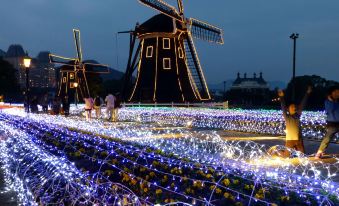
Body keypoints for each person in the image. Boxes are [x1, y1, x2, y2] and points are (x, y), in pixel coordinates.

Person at [278, 86, 312, 155]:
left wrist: (307, 93)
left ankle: (294, 151)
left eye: (295, 106)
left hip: (299, 140)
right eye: (292, 107)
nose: (294, 107)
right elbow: (283, 107)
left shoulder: (298, 116)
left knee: (302, 156)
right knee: (286, 156)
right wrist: (281, 97)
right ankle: (281, 152)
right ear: (288, 109)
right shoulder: (287, 117)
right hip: (290, 140)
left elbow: (302, 104)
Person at [315, 86, 339, 159]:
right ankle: (319, 152)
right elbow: (330, 109)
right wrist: (332, 101)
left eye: (338, 92)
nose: (337, 94)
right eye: (335, 92)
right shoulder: (328, 102)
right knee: (327, 138)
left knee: (327, 138)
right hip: (332, 123)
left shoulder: (338, 102)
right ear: (331, 93)